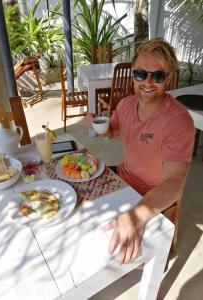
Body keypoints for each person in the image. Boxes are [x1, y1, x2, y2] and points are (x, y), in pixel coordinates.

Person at [85, 37, 195, 264]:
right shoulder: (125, 105)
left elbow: (174, 183)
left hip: (151, 194)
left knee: (109, 253)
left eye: (157, 76)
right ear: (132, 73)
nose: (147, 82)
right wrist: (98, 125)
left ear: (169, 79)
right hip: (123, 179)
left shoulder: (178, 121)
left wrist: (136, 216)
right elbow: (111, 131)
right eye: (140, 74)